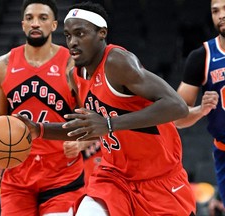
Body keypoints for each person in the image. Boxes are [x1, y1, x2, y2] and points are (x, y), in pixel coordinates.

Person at [15, 1, 196, 215]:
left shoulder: (118, 62)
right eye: (68, 35)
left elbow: (177, 107)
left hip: (159, 179)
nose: (72, 42)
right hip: (114, 177)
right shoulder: (75, 76)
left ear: (101, 33)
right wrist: (39, 130)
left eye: (80, 34)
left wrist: (110, 124)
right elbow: (88, 128)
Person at [0, 0, 90, 215]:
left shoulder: (72, 65)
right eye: (30, 18)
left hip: (62, 176)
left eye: (43, 18)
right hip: (18, 177)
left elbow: (93, 120)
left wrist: (81, 144)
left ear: (53, 25)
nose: (35, 23)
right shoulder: (1, 66)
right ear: (23, 24)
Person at [174, 0, 225, 210]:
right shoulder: (202, 57)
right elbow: (178, 118)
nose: (221, 15)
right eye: (215, 11)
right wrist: (200, 110)